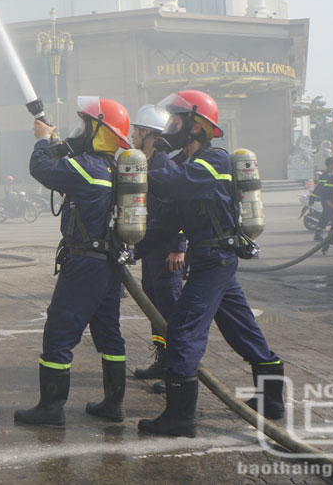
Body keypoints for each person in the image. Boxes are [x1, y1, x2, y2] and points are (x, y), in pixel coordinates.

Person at [138, 90, 284, 437]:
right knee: (240, 328)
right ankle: (272, 400)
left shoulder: (214, 162)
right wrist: (130, 250)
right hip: (210, 259)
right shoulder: (186, 167)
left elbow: (171, 184)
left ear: (197, 126)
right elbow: (166, 222)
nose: (169, 128)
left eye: (175, 121)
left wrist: (154, 153)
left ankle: (180, 418)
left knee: (184, 329)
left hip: (216, 258)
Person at [14, 98, 131, 427]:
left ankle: (50, 408)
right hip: (109, 263)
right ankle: (113, 404)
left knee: (59, 331)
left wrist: (40, 140)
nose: (81, 132)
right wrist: (54, 139)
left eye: (86, 126)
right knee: (109, 333)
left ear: (100, 131)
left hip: (85, 265)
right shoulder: (107, 167)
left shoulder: (90, 167)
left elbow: (42, 169)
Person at [129, 105, 186, 394]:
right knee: (154, 307)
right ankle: (162, 361)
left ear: (148, 133)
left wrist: (178, 247)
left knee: (170, 311)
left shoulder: (165, 166)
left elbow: (179, 208)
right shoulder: (146, 164)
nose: (132, 135)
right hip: (150, 249)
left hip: (167, 253)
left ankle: (176, 370)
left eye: (136, 130)